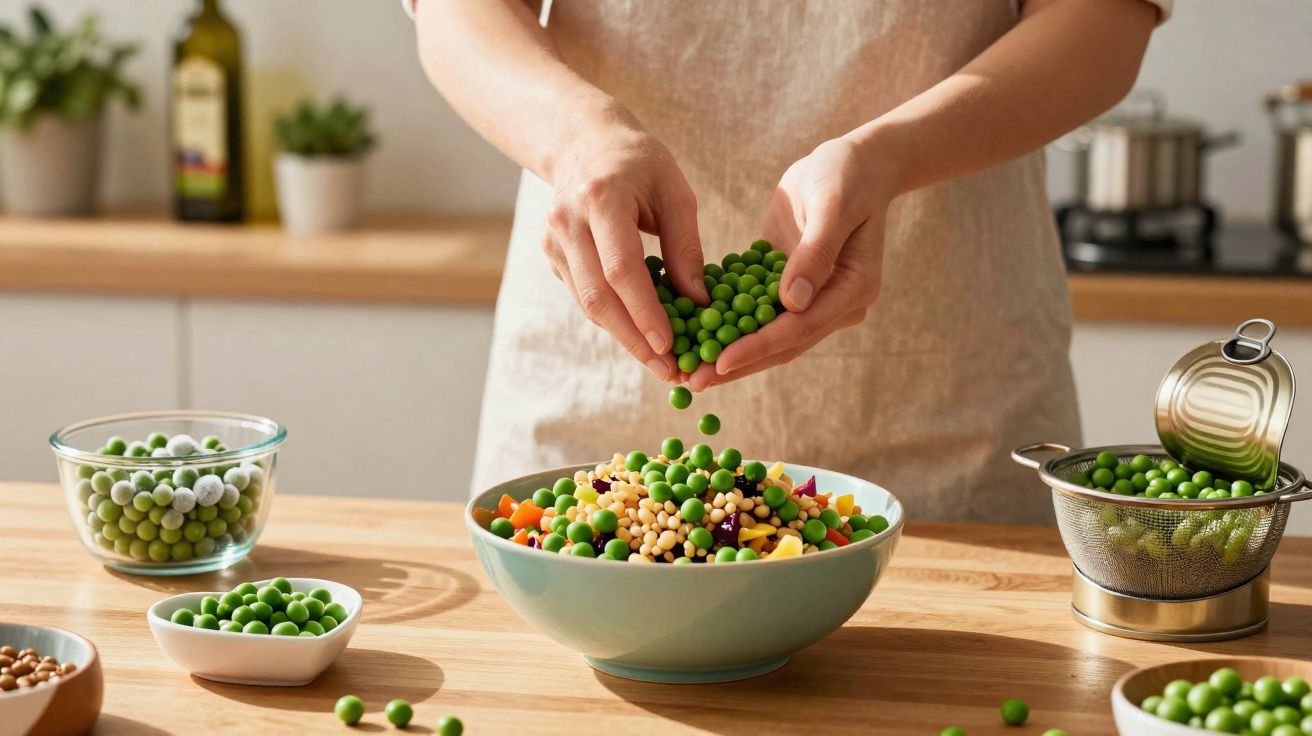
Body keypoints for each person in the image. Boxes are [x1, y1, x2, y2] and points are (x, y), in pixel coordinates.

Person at [406, 0, 1168, 524]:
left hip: (948, 390)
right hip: (596, 373)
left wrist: (891, 155)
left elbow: (1102, 17)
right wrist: (576, 139)